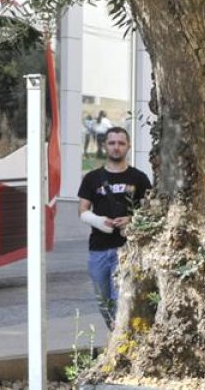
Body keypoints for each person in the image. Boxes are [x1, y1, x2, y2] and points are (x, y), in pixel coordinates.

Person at [77, 126, 151, 329]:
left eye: (121, 143)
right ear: (104, 146)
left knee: (120, 298)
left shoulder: (139, 178)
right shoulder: (92, 178)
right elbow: (82, 210)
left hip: (126, 249)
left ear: (128, 147)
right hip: (98, 249)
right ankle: (116, 336)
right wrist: (99, 221)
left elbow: (151, 210)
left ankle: (121, 336)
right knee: (103, 301)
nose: (116, 147)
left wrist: (131, 219)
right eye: (112, 143)